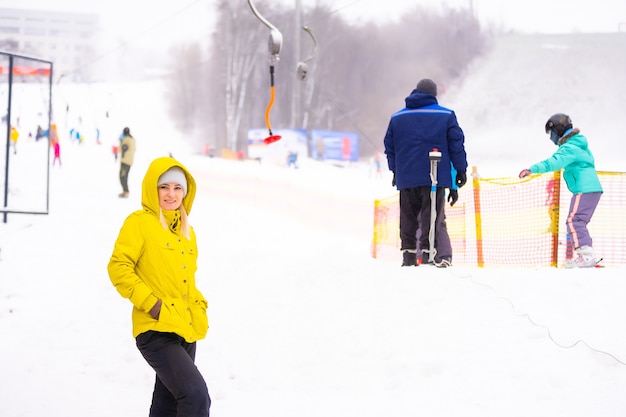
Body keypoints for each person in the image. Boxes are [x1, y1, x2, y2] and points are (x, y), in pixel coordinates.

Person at [108, 156, 211, 416]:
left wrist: (199, 306)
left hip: (184, 328)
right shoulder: (140, 223)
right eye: (164, 187)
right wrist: (152, 305)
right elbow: (119, 267)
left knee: (169, 405)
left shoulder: (188, 233)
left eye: (178, 188)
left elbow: (188, 282)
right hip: (155, 330)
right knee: (195, 395)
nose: (171, 194)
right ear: (153, 188)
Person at [384, 78, 468, 267]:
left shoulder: (397, 118)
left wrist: (395, 170)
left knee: (407, 216)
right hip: (434, 175)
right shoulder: (446, 115)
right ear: (434, 95)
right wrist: (461, 170)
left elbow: (389, 147)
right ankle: (429, 255)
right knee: (432, 214)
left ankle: (408, 256)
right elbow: (456, 145)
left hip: (406, 177)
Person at [519, 113, 603, 268]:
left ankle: (586, 256)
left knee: (574, 220)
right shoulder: (579, 145)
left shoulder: (570, 147)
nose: (551, 138)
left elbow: (555, 161)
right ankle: (587, 255)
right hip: (592, 189)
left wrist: (532, 169)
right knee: (578, 221)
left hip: (584, 189)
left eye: (551, 134)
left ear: (557, 130)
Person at [118, 127, 136, 198]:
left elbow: (120, 149)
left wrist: (121, 141)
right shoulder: (132, 139)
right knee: (125, 176)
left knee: (122, 176)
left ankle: (126, 191)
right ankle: (125, 191)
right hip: (130, 161)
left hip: (125, 160)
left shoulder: (125, 139)